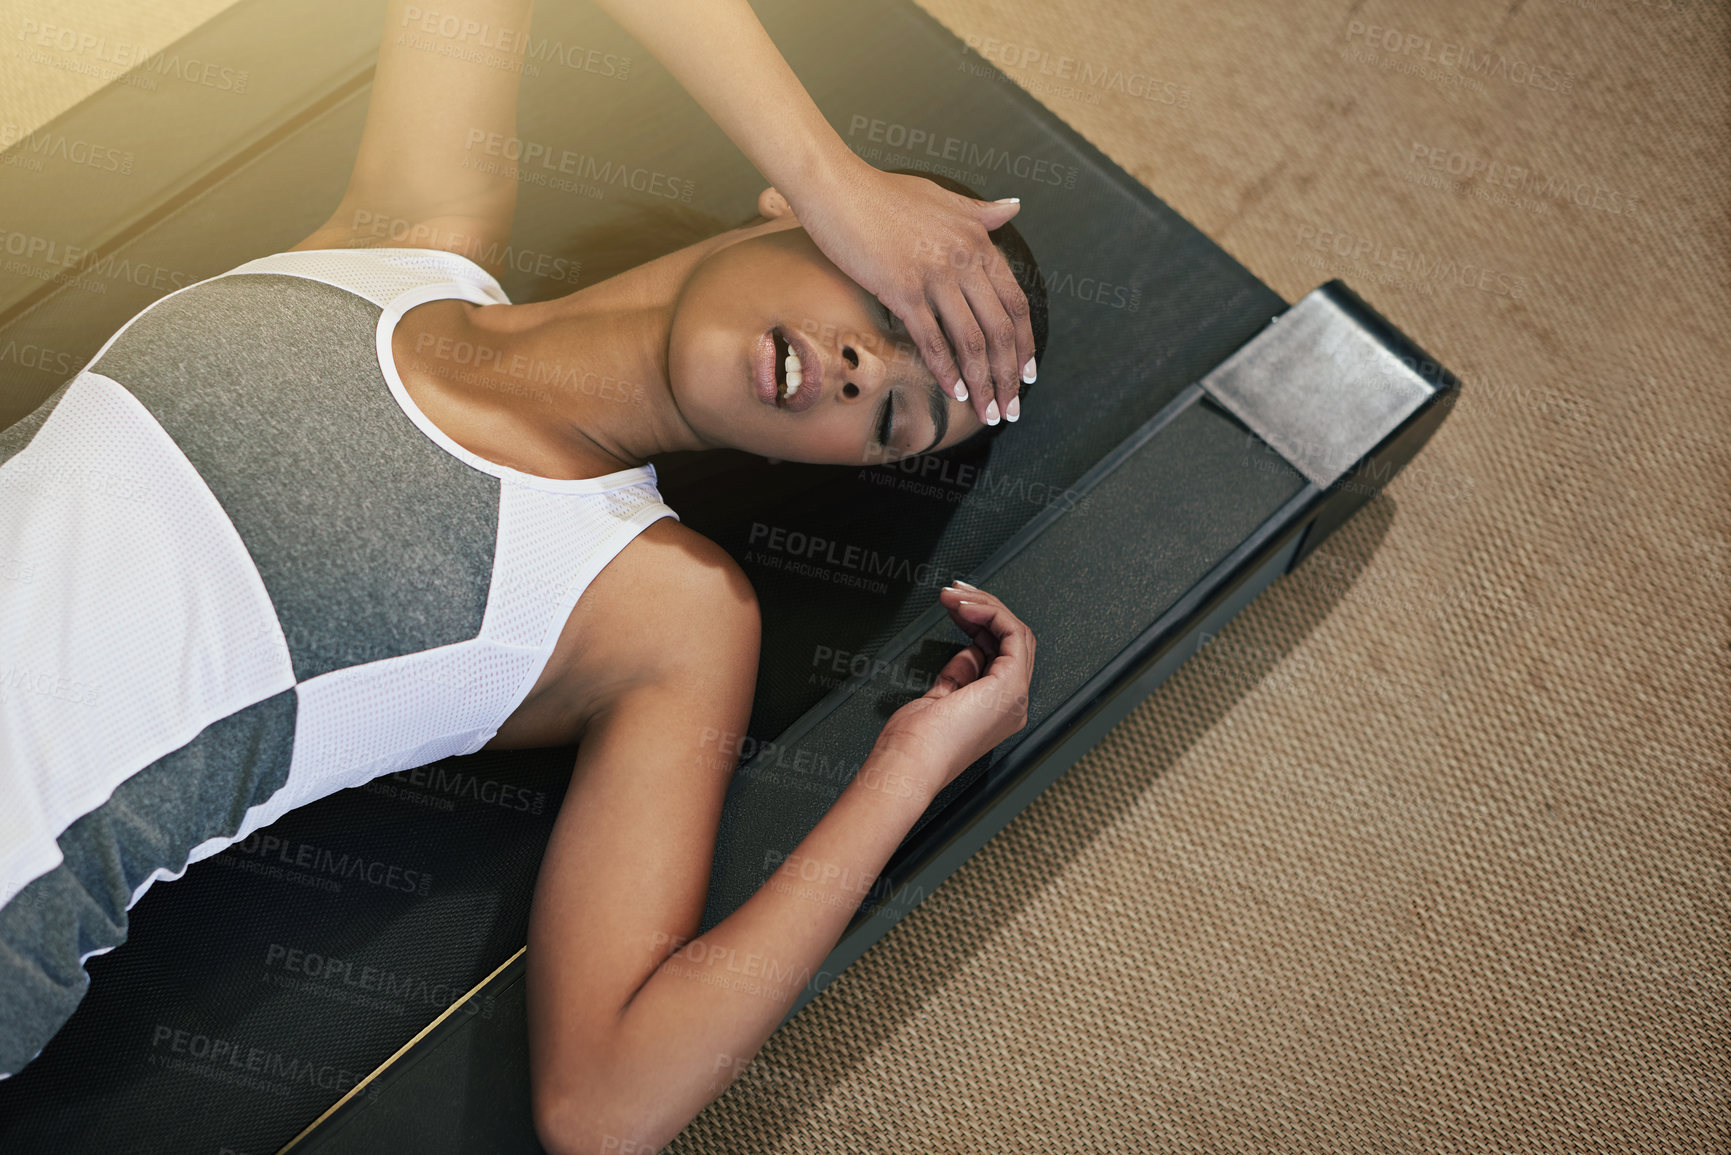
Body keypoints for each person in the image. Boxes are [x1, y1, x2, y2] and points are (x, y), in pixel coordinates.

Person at [0, 1, 1046, 1149]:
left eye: (896, 415)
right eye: (887, 305)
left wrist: (908, 770)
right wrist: (830, 171)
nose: (859, 373)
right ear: (802, 219)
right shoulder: (403, 240)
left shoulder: (661, 609)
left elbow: (604, 1107)